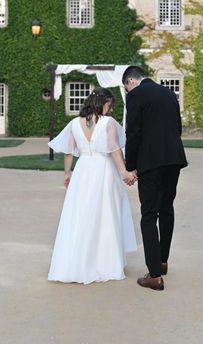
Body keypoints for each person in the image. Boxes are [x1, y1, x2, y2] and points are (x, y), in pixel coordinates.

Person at [47, 87, 137, 284]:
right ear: (101, 103)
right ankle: (105, 263)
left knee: (80, 213)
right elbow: (114, 149)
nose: (110, 109)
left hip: (83, 171)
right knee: (105, 213)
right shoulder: (108, 123)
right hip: (103, 170)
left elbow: (69, 151)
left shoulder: (74, 123)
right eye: (109, 105)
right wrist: (124, 173)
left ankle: (75, 262)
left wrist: (67, 173)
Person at [122, 66, 188, 291]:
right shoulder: (169, 93)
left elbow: (133, 132)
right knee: (166, 208)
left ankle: (154, 275)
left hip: (150, 162)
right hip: (174, 158)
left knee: (148, 214)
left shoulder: (136, 96)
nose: (127, 92)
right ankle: (162, 260)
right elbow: (177, 128)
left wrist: (130, 166)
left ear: (131, 81)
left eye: (126, 88)